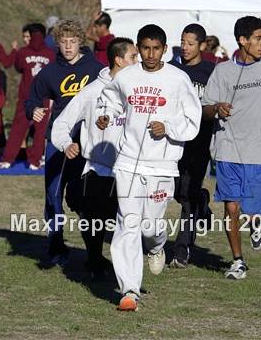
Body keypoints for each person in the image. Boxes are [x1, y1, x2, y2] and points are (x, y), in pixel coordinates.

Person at [96, 24, 202, 311]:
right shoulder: (127, 77)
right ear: (139, 48)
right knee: (127, 224)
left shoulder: (178, 80)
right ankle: (129, 290)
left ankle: (156, 246)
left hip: (163, 166)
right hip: (129, 162)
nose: (151, 53)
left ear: (165, 49)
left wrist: (167, 126)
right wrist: (105, 115)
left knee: (150, 226)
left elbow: (193, 119)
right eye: (145, 48)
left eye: (156, 48)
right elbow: (110, 100)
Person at [202, 16, 261, 279]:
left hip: (260, 149)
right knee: (231, 207)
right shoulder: (222, 71)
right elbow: (205, 109)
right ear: (242, 40)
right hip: (228, 147)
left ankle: (257, 222)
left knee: (252, 210)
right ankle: (238, 261)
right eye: (258, 38)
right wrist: (217, 108)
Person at [51, 37, 138, 278]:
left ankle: (129, 266)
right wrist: (67, 143)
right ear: (119, 60)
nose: (138, 61)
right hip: (99, 169)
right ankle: (94, 259)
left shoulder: (138, 89)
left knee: (131, 222)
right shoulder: (92, 92)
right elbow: (62, 124)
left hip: (132, 168)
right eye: (133, 57)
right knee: (94, 220)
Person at [25, 19, 103, 266]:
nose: (68, 47)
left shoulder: (96, 69)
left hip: (88, 142)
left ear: (81, 42)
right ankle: (56, 246)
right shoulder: (50, 71)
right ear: (57, 43)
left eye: (72, 42)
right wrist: (34, 109)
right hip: (59, 141)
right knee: (53, 194)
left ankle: (92, 251)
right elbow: (32, 98)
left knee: (84, 198)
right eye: (63, 42)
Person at [168, 24, 215, 268]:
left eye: (190, 43)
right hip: (175, 141)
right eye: (183, 42)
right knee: (178, 191)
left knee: (187, 195)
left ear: (202, 46)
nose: (185, 47)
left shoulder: (212, 71)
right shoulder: (172, 70)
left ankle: (181, 249)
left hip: (201, 141)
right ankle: (202, 202)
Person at [0, 24, 54, 169]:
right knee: (39, 131)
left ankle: (8, 160)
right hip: (42, 97)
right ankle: (34, 162)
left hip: (26, 96)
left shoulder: (23, 52)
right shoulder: (51, 53)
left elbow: (18, 66)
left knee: (18, 129)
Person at [0, 40, 18, 152]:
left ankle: (2, 148)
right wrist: (13, 49)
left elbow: (7, 62)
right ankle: (2, 148)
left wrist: (14, 51)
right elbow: (7, 63)